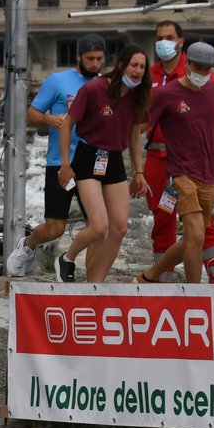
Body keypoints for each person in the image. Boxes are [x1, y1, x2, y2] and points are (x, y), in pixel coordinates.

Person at [138, 42, 214, 284]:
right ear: (187, 64)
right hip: (179, 174)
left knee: (193, 237)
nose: (201, 73)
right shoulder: (166, 95)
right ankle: (195, 293)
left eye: (206, 68)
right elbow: (136, 128)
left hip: (208, 176)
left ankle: (150, 276)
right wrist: (137, 170)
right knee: (197, 234)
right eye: (197, 67)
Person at [5, 34, 106, 277]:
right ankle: (28, 245)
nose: (94, 64)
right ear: (78, 57)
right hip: (60, 162)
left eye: (99, 59)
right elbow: (30, 115)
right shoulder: (58, 81)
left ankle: (91, 279)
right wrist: (49, 118)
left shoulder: (105, 85)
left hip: (93, 163)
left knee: (98, 227)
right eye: (90, 58)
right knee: (55, 227)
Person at [56, 45, 150, 284]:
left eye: (142, 66)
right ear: (121, 65)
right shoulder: (95, 88)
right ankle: (66, 258)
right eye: (134, 65)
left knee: (119, 228)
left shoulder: (138, 95)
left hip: (114, 160)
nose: (138, 70)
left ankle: (95, 285)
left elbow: (134, 134)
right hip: (87, 158)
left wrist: (139, 172)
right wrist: (65, 165)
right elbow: (67, 124)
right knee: (99, 226)